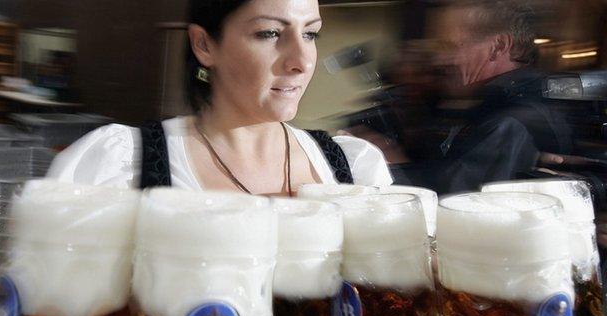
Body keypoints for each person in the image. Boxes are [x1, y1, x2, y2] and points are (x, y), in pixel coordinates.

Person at [46, 0, 393, 195]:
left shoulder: (353, 168)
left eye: (311, 34)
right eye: (270, 33)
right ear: (204, 44)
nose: (301, 62)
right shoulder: (122, 166)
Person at [401, 0, 573, 194]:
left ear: (498, 46)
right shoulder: (491, 106)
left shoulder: (512, 122)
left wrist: (385, 168)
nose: (440, 60)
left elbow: (454, 203)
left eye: (450, 46)